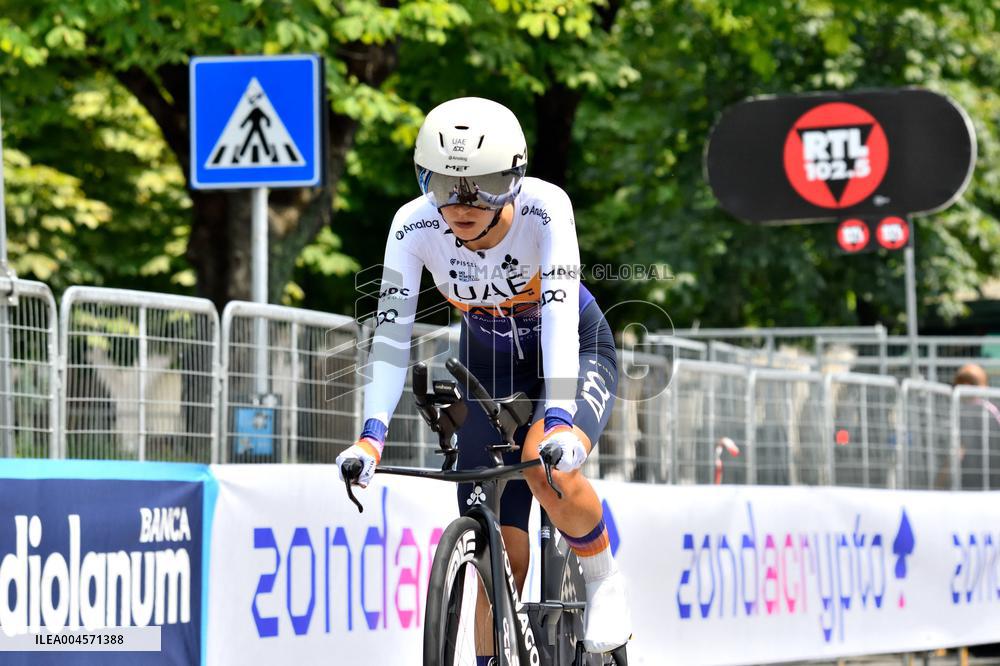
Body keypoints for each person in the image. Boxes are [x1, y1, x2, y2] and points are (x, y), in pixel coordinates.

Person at [335, 96, 631, 658]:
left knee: (546, 466)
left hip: (571, 348)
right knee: (497, 550)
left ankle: (602, 578)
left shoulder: (548, 209)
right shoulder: (412, 224)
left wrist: (562, 418)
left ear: (514, 180)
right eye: (447, 183)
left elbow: (561, 317)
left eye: (483, 183)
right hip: (488, 360)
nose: (463, 202)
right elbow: (393, 334)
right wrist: (370, 435)